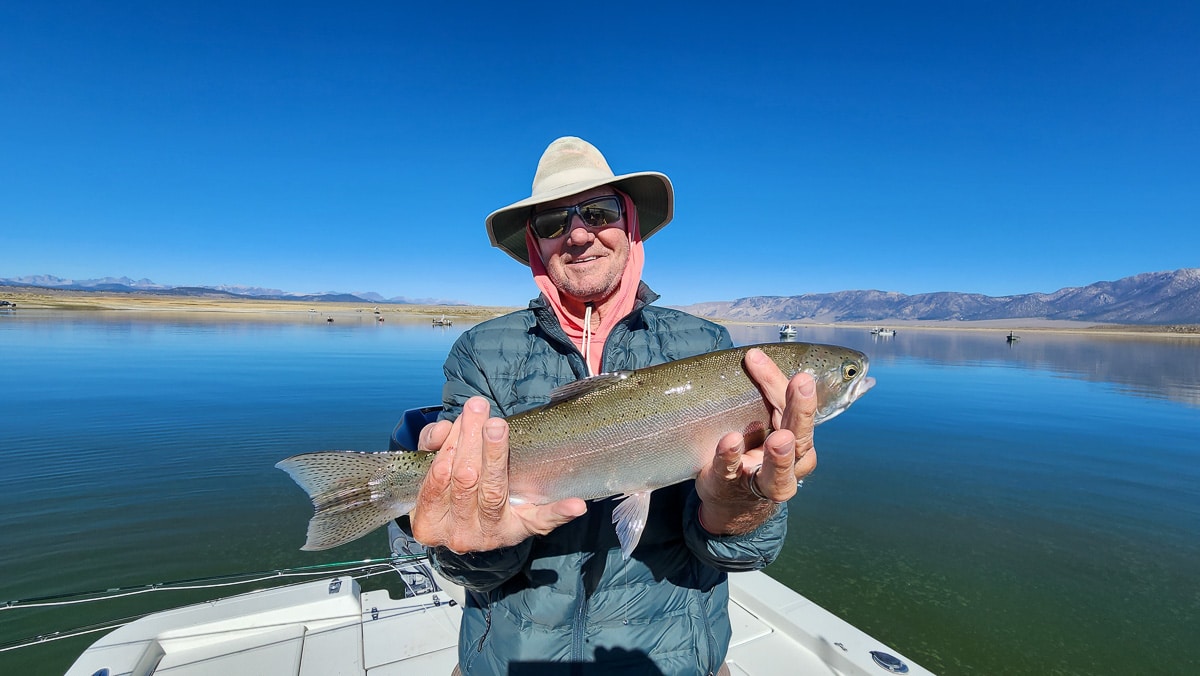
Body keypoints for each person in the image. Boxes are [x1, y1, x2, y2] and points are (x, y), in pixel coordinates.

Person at [409, 137, 818, 675]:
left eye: (598, 213)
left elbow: (741, 556)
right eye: (553, 224)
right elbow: (469, 569)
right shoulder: (478, 352)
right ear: (536, 244)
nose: (578, 234)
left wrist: (744, 509)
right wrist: (472, 546)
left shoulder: (714, 349)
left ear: (630, 225)